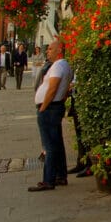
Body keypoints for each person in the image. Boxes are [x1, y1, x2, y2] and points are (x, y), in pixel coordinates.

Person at [29, 39, 73, 192]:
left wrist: (43, 107)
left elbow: (53, 88)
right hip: (55, 107)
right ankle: (61, 175)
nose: (47, 51)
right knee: (57, 144)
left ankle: (48, 180)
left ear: (59, 50)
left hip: (49, 109)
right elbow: (67, 88)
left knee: (50, 146)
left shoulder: (58, 66)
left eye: (50, 49)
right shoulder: (65, 65)